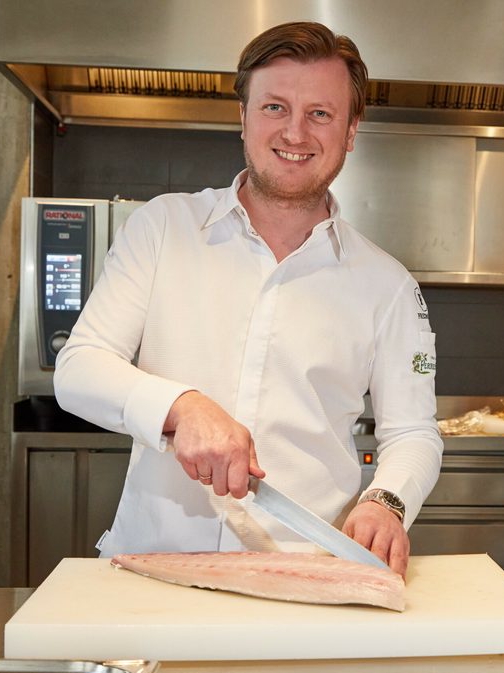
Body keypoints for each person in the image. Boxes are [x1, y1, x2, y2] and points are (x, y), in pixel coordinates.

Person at [53, 22, 443, 578]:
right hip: (153, 564)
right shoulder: (163, 227)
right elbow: (78, 368)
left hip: (302, 574)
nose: (295, 132)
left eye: (321, 114)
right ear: (243, 117)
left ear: (352, 130)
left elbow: (413, 433)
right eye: (275, 107)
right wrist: (182, 406)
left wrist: (388, 500)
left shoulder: (388, 285)